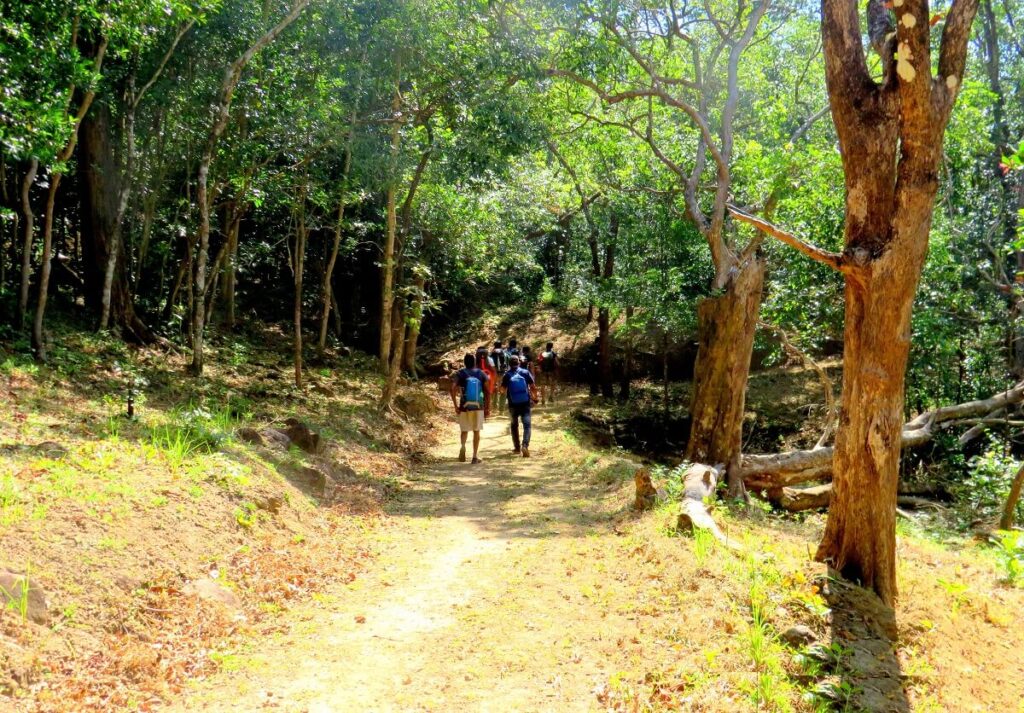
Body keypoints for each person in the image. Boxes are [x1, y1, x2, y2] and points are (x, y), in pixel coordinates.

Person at [450, 353, 490, 464]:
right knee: (476, 431)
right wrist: (487, 407)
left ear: (464, 362)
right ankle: (474, 457)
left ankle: (463, 446)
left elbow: (452, 388)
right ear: (475, 362)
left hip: (464, 406)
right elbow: (487, 392)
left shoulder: (460, 373)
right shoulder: (481, 373)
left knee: (464, 430)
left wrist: (455, 406)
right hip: (478, 407)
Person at [501, 355, 538, 457]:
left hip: (513, 404)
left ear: (509, 363)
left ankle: (517, 448)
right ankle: (525, 445)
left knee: (514, 425)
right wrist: (535, 398)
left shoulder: (507, 375)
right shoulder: (525, 372)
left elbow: (502, 390)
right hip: (525, 402)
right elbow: (533, 387)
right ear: (519, 362)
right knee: (527, 425)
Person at [490, 340, 508, 410]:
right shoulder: (505, 353)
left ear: (494, 345)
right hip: (503, 373)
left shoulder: (491, 354)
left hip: (494, 373)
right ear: (501, 345)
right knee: (503, 388)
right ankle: (501, 407)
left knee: (495, 388)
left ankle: (494, 405)